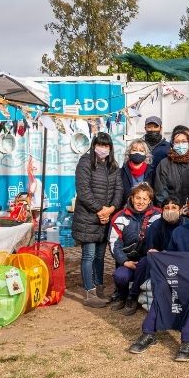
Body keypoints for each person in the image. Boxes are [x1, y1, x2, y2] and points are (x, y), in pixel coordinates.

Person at [128, 191, 189, 362]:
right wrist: (159, 255)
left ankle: (188, 340)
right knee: (163, 288)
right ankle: (148, 333)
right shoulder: (179, 232)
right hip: (179, 278)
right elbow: (171, 258)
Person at [72, 132, 123, 308]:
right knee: (88, 255)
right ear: (94, 145)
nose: (103, 148)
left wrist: (110, 209)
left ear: (110, 148)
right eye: (100, 145)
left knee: (101, 256)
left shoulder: (113, 166)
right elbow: (83, 191)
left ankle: (99, 287)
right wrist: (100, 210)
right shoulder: (85, 162)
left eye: (106, 145)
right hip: (88, 217)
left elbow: (119, 191)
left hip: (104, 219)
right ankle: (90, 292)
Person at [109, 183, 161, 316]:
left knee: (145, 266)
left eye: (145, 199)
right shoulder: (119, 216)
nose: (141, 202)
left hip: (149, 261)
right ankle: (122, 295)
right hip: (128, 260)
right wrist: (124, 261)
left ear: (150, 200)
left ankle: (132, 298)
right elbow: (114, 243)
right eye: (138, 198)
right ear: (132, 198)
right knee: (120, 276)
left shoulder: (158, 215)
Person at [154, 129, 189, 207]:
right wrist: (169, 208)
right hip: (172, 210)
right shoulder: (164, 164)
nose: (180, 144)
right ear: (172, 144)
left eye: (184, 141)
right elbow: (161, 190)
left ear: (188, 142)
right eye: (177, 142)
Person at [120, 139, 155, 204]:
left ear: (146, 154)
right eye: (134, 150)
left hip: (146, 207)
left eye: (141, 151)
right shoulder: (122, 171)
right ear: (129, 152)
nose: (137, 153)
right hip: (126, 207)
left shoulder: (151, 172)